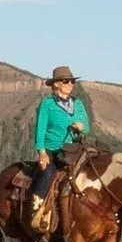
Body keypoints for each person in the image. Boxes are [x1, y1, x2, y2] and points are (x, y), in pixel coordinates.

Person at [30, 66, 90, 232]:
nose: (70, 84)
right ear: (55, 84)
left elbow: (87, 127)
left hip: (74, 150)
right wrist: (41, 152)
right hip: (53, 150)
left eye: (72, 81)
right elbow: (40, 129)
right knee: (48, 173)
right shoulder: (47, 104)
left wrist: (81, 127)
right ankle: (37, 207)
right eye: (66, 81)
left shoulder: (78, 104)